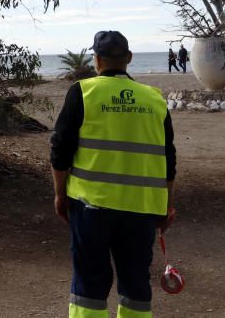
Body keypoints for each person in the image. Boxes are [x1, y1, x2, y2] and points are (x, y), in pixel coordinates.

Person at [51, 30, 176, 318]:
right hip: (142, 208)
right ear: (129, 58)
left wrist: (60, 195)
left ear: (96, 59)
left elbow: (60, 150)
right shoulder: (154, 99)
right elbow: (168, 158)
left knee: (89, 284)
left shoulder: (83, 92)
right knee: (135, 285)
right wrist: (166, 205)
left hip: (90, 206)